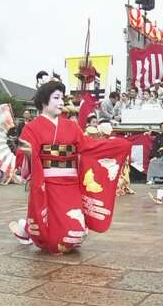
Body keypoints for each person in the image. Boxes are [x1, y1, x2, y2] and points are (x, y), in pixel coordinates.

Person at [9, 82, 131, 254]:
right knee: (56, 242)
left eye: (62, 98)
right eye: (56, 98)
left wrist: (115, 146)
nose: (61, 103)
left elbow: (88, 146)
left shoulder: (71, 126)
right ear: (44, 101)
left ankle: (26, 229)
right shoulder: (31, 128)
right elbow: (23, 163)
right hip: (48, 184)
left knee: (75, 235)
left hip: (71, 185)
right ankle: (29, 230)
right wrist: (29, 154)